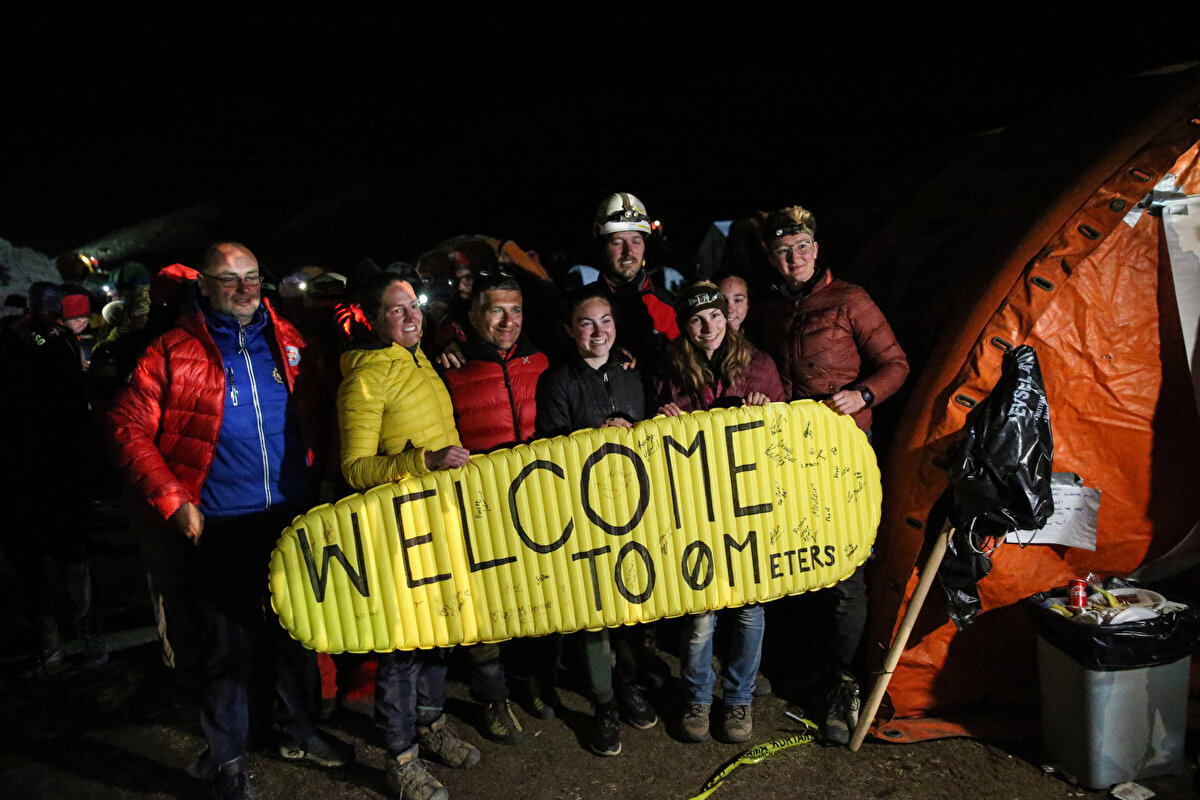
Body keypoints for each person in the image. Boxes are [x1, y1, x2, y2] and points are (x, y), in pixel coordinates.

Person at [107, 243, 352, 800]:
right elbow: (126, 427)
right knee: (227, 646)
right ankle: (227, 758)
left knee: (297, 633)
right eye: (228, 279)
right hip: (220, 521)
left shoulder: (289, 341)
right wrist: (174, 500)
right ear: (204, 287)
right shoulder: (172, 351)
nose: (244, 289)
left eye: (251, 277)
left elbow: (324, 412)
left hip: (291, 516)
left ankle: (297, 730)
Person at [757, 206, 909, 745]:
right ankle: (811, 668)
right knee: (799, 557)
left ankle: (847, 682)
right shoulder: (771, 309)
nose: (793, 258)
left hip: (844, 451)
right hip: (790, 453)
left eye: (800, 247)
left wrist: (864, 393)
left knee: (846, 566)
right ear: (770, 258)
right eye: (782, 250)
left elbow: (896, 363)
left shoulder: (850, 300)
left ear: (816, 250)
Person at [337, 272, 478, 800]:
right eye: (396, 310)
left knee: (441, 631)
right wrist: (424, 461)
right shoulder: (367, 375)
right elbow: (354, 468)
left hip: (441, 521)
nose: (411, 316)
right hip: (400, 530)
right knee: (402, 645)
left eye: (413, 306)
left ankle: (431, 725)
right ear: (373, 319)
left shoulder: (420, 360)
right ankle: (401, 760)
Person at [653, 281, 784, 744]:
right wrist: (663, 418)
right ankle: (698, 697)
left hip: (746, 505)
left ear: (727, 316)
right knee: (700, 613)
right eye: (695, 319)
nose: (707, 326)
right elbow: (660, 445)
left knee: (749, 610)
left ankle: (739, 699)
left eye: (713, 315)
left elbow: (783, 437)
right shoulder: (673, 369)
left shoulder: (759, 364)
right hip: (697, 505)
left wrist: (769, 412)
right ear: (685, 327)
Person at [535, 287, 658, 757]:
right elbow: (549, 450)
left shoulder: (630, 373)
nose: (598, 332)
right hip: (584, 516)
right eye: (587, 323)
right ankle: (603, 703)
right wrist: (592, 438)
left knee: (629, 607)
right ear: (570, 330)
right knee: (593, 616)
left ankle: (626, 687)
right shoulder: (557, 382)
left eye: (605, 321)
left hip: (630, 510)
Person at [442, 273, 550, 741]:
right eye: (497, 311)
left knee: (538, 597)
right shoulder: (449, 368)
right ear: (473, 316)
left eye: (517, 310)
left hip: (536, 501)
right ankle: (491, 698)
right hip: (479, 506)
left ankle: (534, 681)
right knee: (485, 609)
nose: (509, 321)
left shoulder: (543, 359)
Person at [589, 192, 679, 367]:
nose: (628, 251)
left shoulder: (667, 305)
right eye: (618, 242)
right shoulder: (582, 306)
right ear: (602, 247)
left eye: (636, 241)